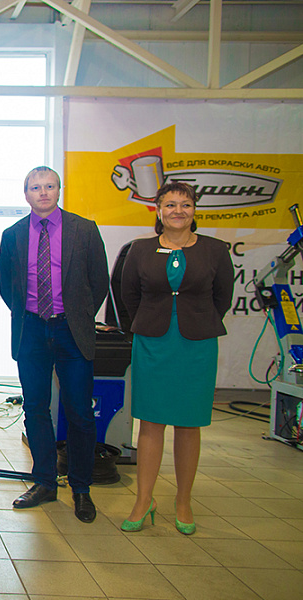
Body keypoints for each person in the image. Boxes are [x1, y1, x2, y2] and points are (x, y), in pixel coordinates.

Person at [119, 182, 233, 535]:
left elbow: (222, 298)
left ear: (194, 210)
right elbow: (128, 295)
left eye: (185, 204)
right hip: (153, 344)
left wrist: (196, 320)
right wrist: (151, 322)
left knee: (188, 423)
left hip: (196, 347)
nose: (178, 211)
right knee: (151, 423)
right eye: (170, 205)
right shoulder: (140, 249)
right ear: (158, 210)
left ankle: (183, 501)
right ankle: (144, 500)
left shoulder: (215, 250)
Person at [0, 166, 109, 523]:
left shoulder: (84, 230)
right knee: (35, 408)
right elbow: (7, 286)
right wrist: (31, 315)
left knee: (79, 412)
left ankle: (81, 487)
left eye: (49, 186)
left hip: (71, 329)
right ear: (26, 194)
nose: (43, 192)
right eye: (35, 187)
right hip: (31, 328)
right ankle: (45, 481)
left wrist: (77, 315)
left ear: (59, 190)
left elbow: (99, 281)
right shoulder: (13, 234)